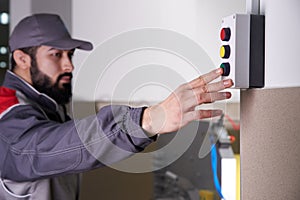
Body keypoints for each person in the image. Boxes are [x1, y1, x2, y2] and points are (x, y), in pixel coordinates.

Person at [0, 13, 233, 200]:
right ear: (22, 59)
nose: (69, 65)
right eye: (56, 55)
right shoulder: (7, 108)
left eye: (70, 55)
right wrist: (147, 120)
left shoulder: (50, 105)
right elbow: (38, 150)